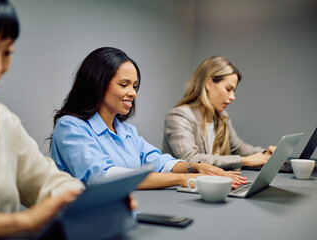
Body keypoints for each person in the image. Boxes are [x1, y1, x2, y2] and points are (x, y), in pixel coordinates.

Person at [0, 1, 87, 239]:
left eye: (7, 53)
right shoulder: (71, 124)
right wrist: (22, 221)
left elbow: (44, 178)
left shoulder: (3, 120)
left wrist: (91, 200)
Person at [50, 47, 248, 190]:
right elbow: (103, 176)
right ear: (97, 83)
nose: (132, 93)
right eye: (124, 84)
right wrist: (182, 178)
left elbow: (159, 161)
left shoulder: (126, 131)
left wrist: (193, 167)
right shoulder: (70, 127)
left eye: (134, 86)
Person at [162, 56, 276, 171]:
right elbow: (190, 159)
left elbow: (240, 148)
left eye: (233, 91)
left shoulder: (222, 118)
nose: (233, 97)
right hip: (181, 187)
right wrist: (243, 160)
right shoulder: (179, 116)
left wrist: (265, 154)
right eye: (228, 89)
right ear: (209, 84)